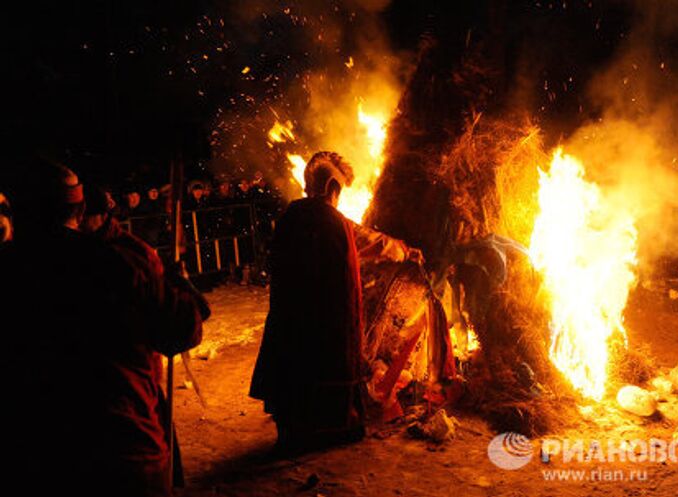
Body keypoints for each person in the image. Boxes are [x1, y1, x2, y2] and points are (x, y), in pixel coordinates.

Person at [0, 158, 208, 497]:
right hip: (119, 448)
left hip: (29, 457)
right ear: (80, 211)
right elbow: (182, 330)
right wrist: (178, 285)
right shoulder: (117, 263)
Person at [249, 151, 420, 454]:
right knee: (327, 369)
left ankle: (292, 430)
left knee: (294, 369)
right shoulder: (333, 221)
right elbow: (368, 240)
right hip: (326, 318)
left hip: (290, 316)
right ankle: (329, 430)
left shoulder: (289, 217)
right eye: (340, 190)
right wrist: (405, 250)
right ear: (331, 187)